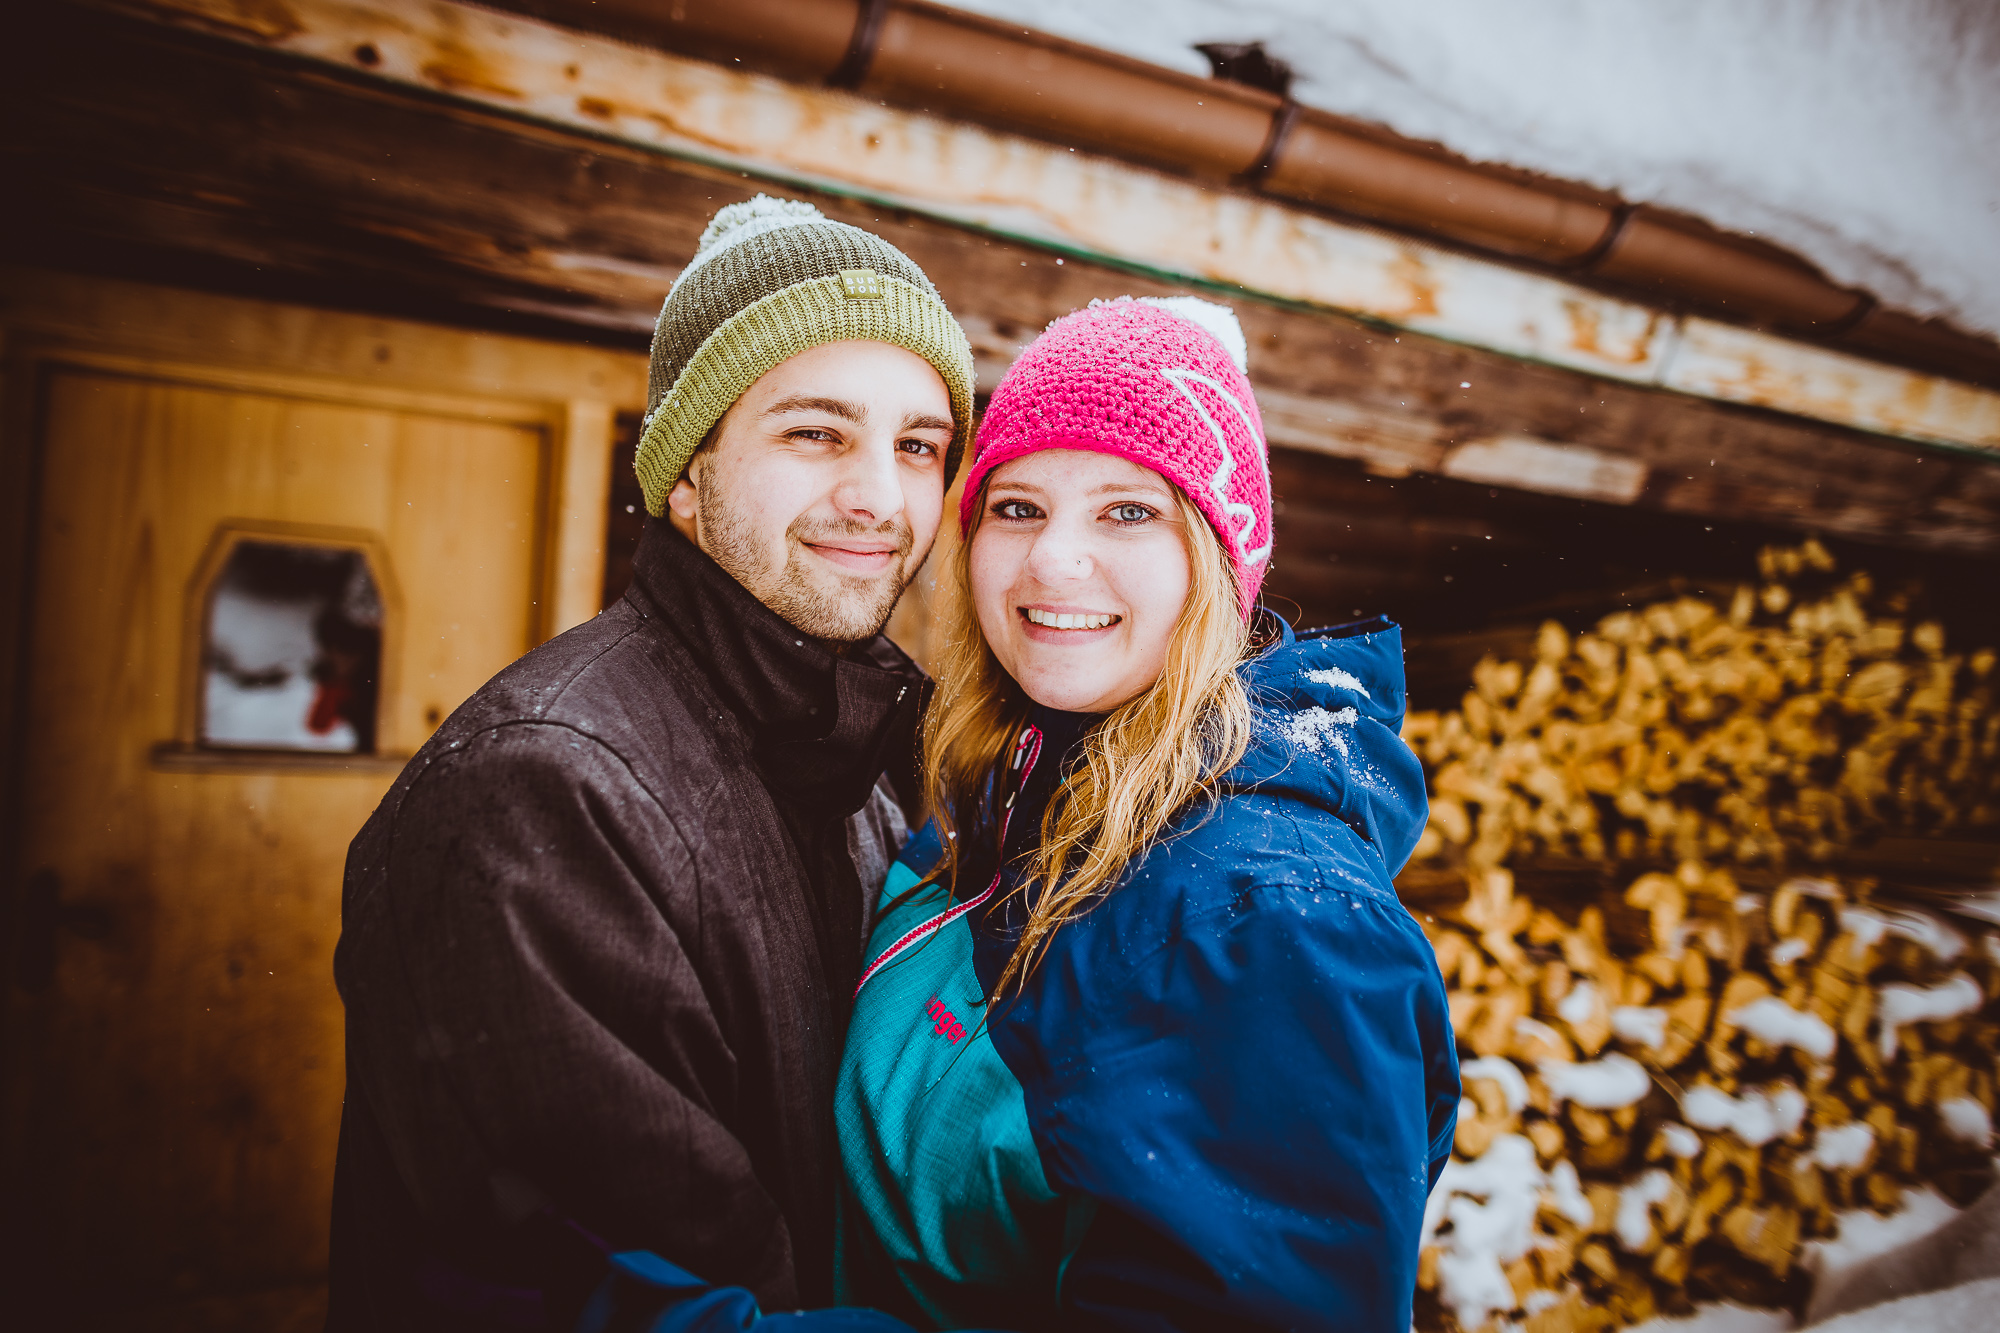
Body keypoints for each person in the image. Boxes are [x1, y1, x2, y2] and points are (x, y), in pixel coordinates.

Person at [327, 195, 977, 1331]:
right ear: (687, 474)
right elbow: (623, 1295)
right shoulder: (538, 792)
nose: (881, 497)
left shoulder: (860, 777)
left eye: (917, 446)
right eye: (814, 431)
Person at [834, 296, 1461, 1331]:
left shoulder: (1266, 920)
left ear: (1215, 560)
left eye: (1127, 510)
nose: (1051, 559)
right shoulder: (1011, 805)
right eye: (1017, 507)